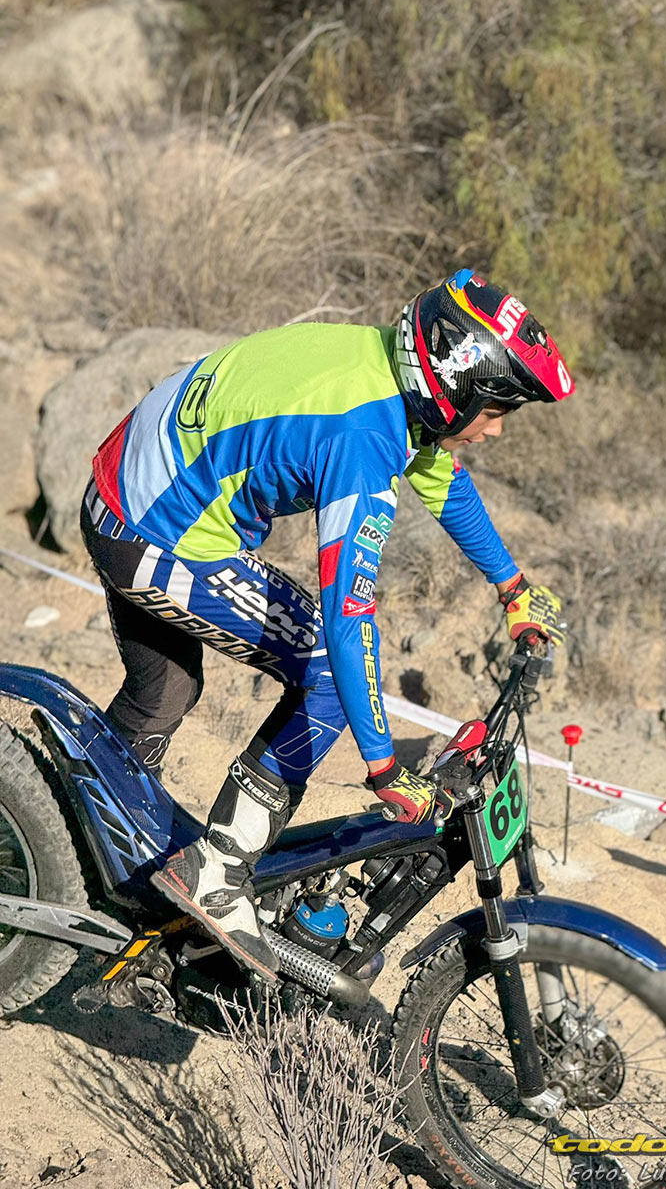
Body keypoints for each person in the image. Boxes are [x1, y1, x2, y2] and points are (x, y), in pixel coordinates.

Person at [81, 268, 575, 981]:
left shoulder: (376, 370)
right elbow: (349, 614)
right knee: (320, 663)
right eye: (496, 409)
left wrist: (513, 587)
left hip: (122, 483)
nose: (495, 429)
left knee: (164, 694)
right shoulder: (362, 438)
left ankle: (82, 852)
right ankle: (217, 872)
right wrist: (383, 767)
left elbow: (442, 478)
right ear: (454, 385)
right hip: (152, 529)